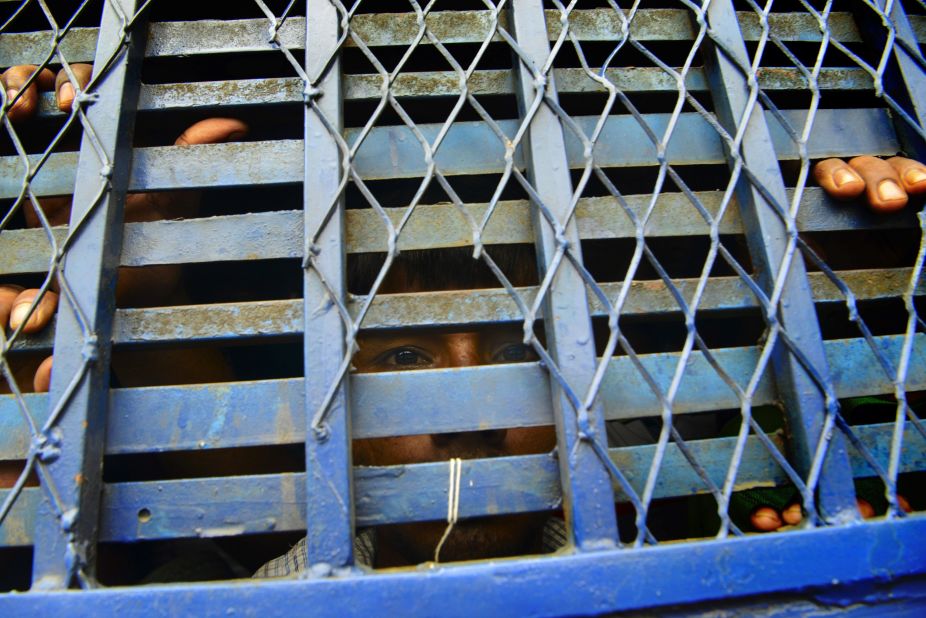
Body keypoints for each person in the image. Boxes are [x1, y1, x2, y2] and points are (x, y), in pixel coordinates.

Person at [0, 62, 921, 563]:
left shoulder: (706, 560)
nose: (471, 421)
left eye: (522, 346)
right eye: (403, 359)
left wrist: (874, 281)